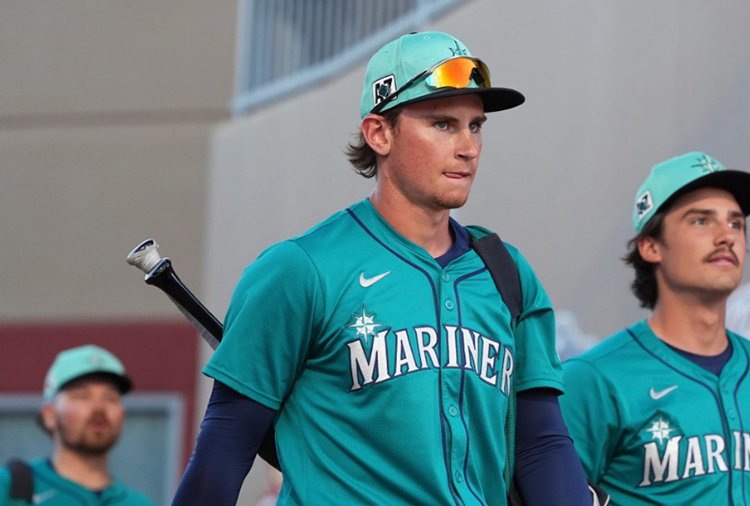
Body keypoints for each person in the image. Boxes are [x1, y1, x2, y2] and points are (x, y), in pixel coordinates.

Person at [172, 31, 595, 506]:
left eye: (475, 126)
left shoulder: (506, 272)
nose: (468, 146)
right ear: (379, 133)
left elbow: (541, 444)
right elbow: (225, 448)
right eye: (442, 124)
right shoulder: (301, 270)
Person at [559, 152, 750, 505]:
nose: (726, 236)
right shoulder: (591, 379)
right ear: (651, 245)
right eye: (701, 221)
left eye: (736, 223)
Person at [0, 345, 153, 506]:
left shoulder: (138, 503)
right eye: (82, 396)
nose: (99, 408)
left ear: (122, 416)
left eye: (110, 398)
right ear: (49, 414)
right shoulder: (9, 490)